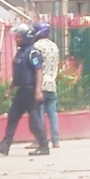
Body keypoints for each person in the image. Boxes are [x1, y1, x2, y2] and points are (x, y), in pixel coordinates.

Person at [0, 23, 49, 156]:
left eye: (19, 36)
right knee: (15, 116)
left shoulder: (33, 53)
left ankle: (43, 146)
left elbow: (38, 71)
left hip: (29, 89)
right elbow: (17, 73)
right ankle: (6, 145)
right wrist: (10, 89)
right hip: (22, 89)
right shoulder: (21, 52)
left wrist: (38, 90)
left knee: (31, 118)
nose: (16, 39)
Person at [30, 21, 61, 149]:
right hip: (52, 83)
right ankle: (56, 140)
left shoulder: (36, 46)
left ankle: (40, 139)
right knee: (52, 113)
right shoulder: (54, 46)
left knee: (39, 113)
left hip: (40, 84)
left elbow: (35, 66)